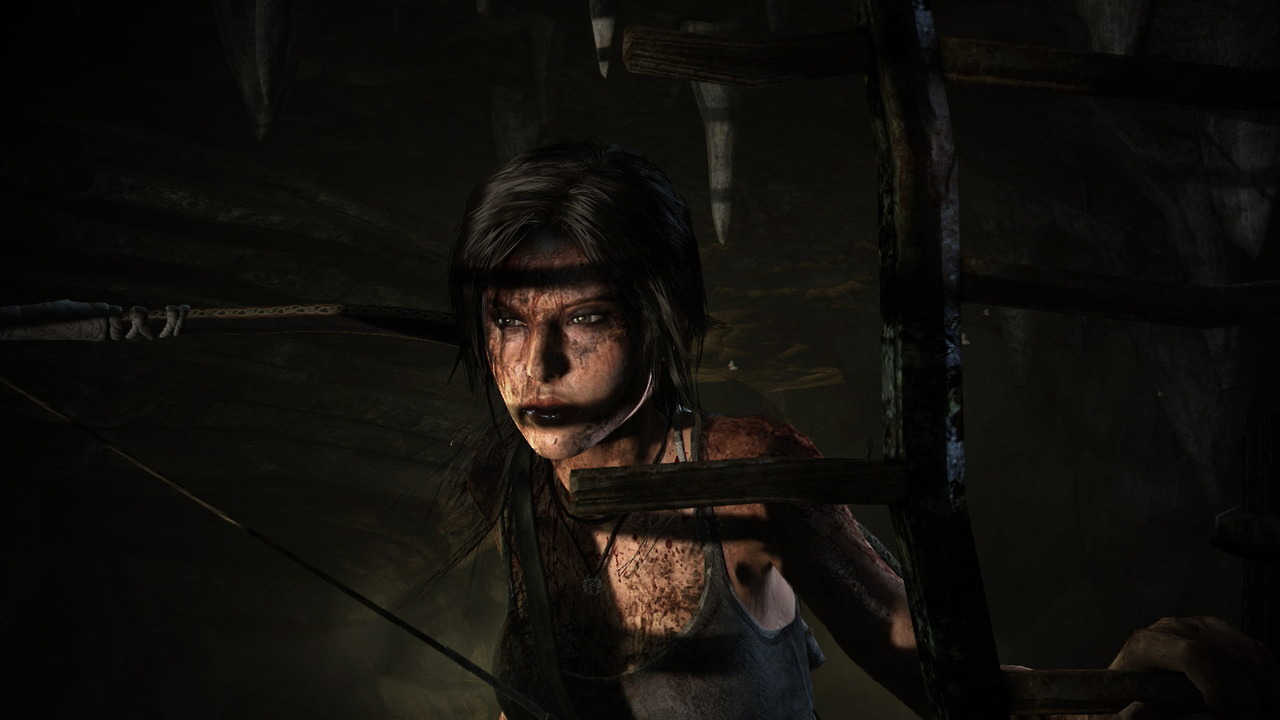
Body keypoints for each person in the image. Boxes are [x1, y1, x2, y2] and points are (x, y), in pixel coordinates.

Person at [448, 139, 1278, 720]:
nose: (538, 365)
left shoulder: (744, 475)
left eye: (586, 317)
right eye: (508, 320)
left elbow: (947, 680)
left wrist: (1122, 690)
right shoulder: (515, 484)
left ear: (658, 318)